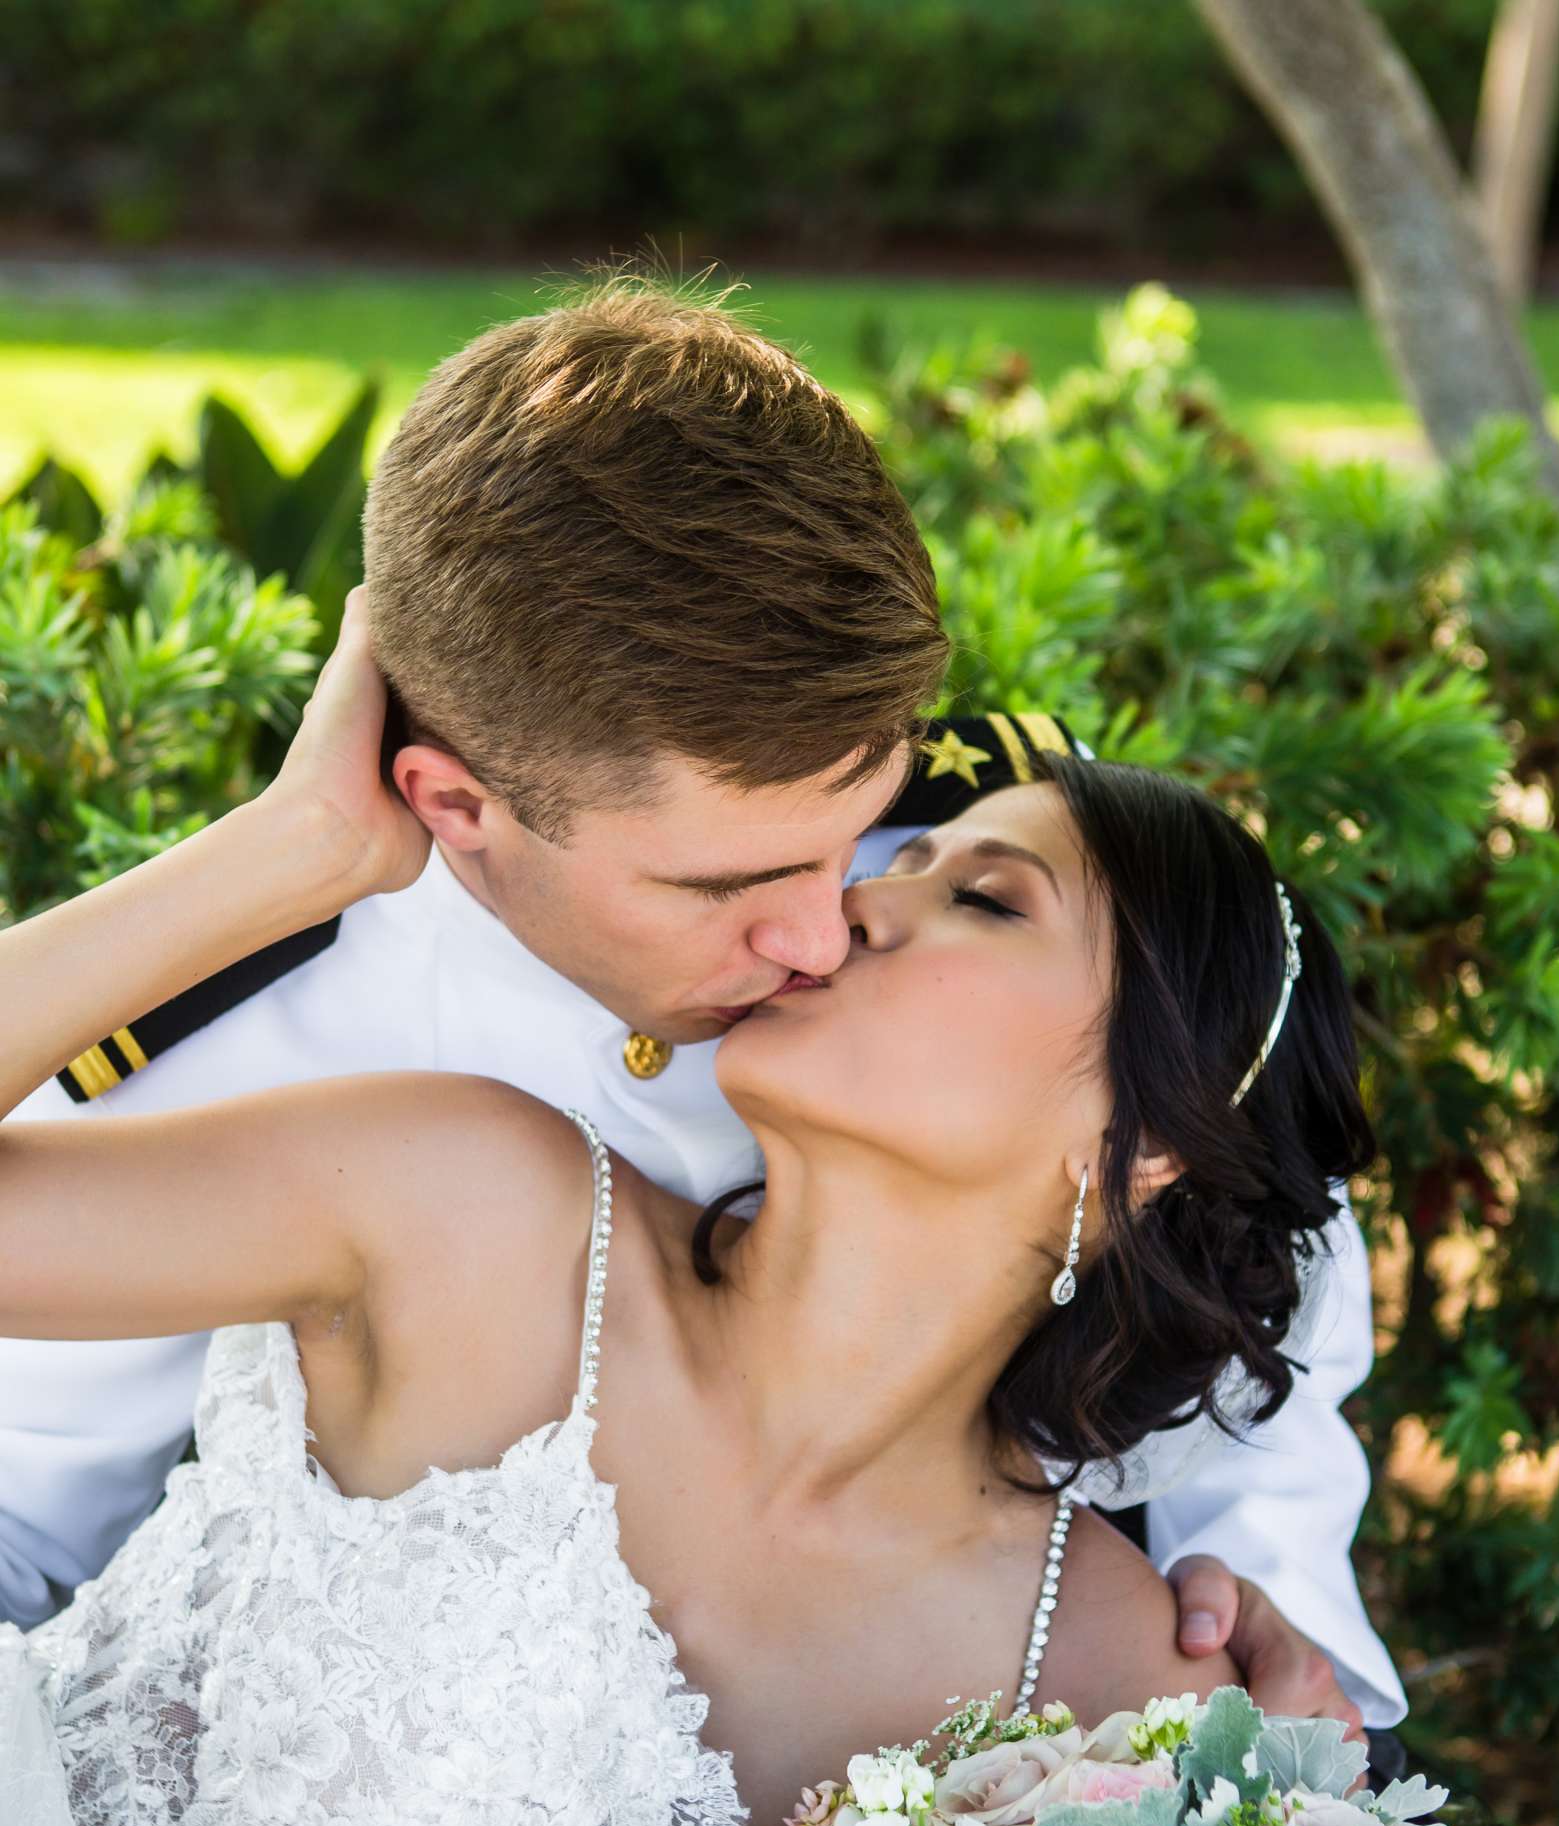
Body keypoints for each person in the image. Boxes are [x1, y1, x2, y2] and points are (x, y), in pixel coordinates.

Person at [1, 598, 1559, 1826]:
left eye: (981, 899)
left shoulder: (1108, 1674)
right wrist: (291, 856)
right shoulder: (474, 1211)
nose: (850, 907)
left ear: (1142, 1146)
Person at [0, 285, 1390, 1747]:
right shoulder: (256, 1053)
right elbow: (25, 1525)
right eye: (723, 885)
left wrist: (1253, 1605)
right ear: (455, 805)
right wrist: (287, 858)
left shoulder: (972, 846)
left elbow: (1237, 1176)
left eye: (861, 831)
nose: (826, 922)